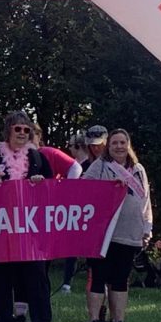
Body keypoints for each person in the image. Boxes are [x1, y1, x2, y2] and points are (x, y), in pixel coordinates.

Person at [0, 111, 56, 322]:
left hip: (31, 230)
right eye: (18, 129)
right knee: (3, 280)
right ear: (8, 131)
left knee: (37, 280)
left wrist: (40, 184)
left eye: (26, 129)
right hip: (3, 229)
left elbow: (52, 190)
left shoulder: (37, 157)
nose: (22, 133)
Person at [82, 129, 153, 322]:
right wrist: (108, 188)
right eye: (115, 143)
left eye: (123, 142)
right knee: (99, 278)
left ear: (128, 145)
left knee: (121, 279)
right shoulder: (100, 166)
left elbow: (146, 201)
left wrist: (147, 228)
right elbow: (84, 191)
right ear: (108, 146)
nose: (119, 147)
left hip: (129, 233)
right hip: (104, 234)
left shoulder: (138, 169)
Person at [60, 125, 108, 293]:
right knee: (75, 249)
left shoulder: (115, 163)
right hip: (85, 214)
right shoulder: (86, 165)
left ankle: (103, 286)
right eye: (91, 144)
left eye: (99, 144)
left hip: (106, 216)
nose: (95, 148)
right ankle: (69, 283)